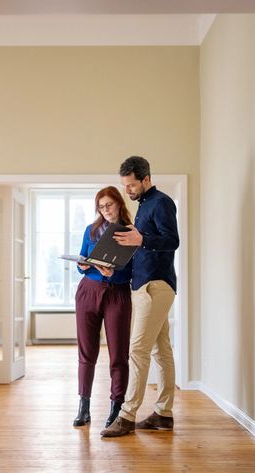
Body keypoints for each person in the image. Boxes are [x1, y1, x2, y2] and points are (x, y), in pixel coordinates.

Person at [101, 155, 179, 438]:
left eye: (132, 185)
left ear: (146, 179)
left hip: (155, 287)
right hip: (145, 286)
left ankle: (127, 415)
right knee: (161, 350)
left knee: (137, 350)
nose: (128, 191)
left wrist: (141, 239)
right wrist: (113, 267)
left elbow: (173, 241)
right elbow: (142, 252)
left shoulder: (161, 203)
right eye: (125, 186)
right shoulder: (144, 207)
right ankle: (163, 414)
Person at [72, 186, 134, 428]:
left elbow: (134, 269)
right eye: (100, 206)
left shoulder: (131, 232)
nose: (105, 210)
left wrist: (115, 269)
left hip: (117, 293)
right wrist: (84, 266)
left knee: (119, 355)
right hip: (89, 291)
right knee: (86, 352)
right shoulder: (92, 230)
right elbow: (81, 260)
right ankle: (83, 407)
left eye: (108, 204)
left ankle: (116, 407)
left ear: (119, 203)